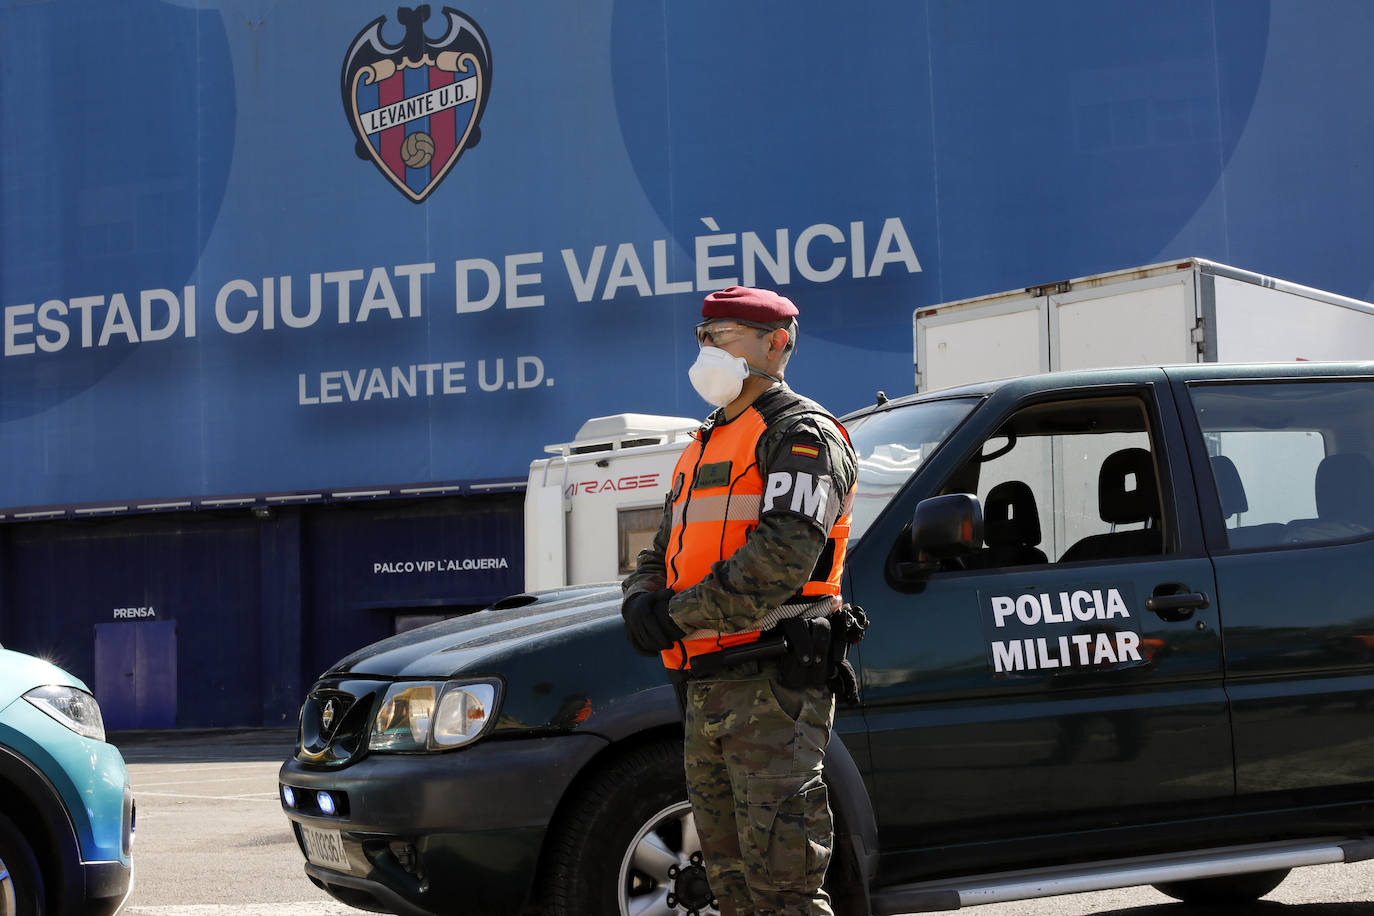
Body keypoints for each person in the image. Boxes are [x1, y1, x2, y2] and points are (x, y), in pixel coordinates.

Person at [621, 286, 859, 916]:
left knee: (783, 889)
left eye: (723, 334)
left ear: (776, 343)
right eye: (703, 336)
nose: (707, 349)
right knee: (729, 887)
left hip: (771, 686)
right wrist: (639, 598)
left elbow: (781, 559)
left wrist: (674, 616)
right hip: (707, 684)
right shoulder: (703, 443)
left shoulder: (800, 435)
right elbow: (662, 550)